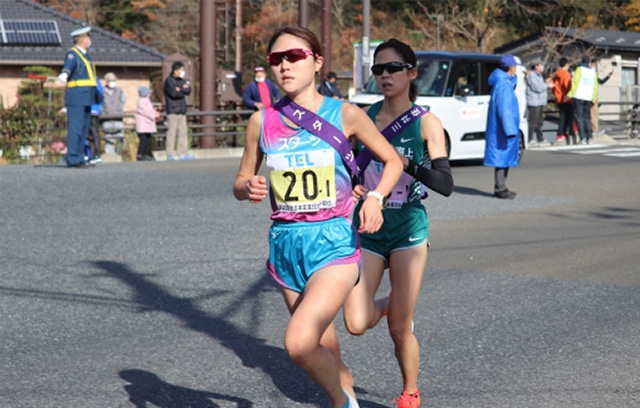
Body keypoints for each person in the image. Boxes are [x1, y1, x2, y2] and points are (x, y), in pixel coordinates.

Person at [233, 27, 403, 408]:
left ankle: (343, 403)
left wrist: (375, 197)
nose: (284, 66)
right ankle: (344, 394)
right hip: (286, 245)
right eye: (276, 60)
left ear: (317, 61)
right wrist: (248, 188)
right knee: (328, 353)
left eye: (294, 56)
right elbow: (241, 179)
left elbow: (392, 160)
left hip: (334, 242)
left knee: (298, 343)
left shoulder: (345, 114)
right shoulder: (261, 122)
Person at [343, 38, 453, 408]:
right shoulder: (364, 117)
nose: (385, 76)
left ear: (411, 72)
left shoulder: (427, 123)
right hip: (371, 228)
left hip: (408, 229)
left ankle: (410, 391)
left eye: (393, 69)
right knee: (356, 323)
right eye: (378, 69)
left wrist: (407, 164)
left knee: (398, 327)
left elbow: (445, 184)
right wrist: (355, 187)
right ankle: (396, 300)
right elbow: (348, 169)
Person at [56, 26, 102, 168]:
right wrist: (63, 76)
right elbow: (67, 68)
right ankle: (73, 158)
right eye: (88, 38)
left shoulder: (86, 56)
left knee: (83, 128)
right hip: (76, 96)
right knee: (75, 128)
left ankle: (79, 156)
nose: (89, 40)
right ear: (83, 40)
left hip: (87, 97)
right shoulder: (73, 54)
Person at [484, 55, 520, 199]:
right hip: (504, 129)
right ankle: (500, 188)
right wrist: (510, 129)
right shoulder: (503, 84)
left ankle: (502, 187)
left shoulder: (502, 81)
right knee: (501, 158)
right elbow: (504, 108)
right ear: (510, 67)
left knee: (502, 158)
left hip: (500, 128)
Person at [163, 61, 194, 160]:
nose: (183, 72)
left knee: (183, 132)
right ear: (175, 71)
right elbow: (173, 93)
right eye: (181, 70)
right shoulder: (169, 81)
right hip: (172, 110)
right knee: (171, 132)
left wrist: (179, 89)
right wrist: (182, 89)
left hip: (182, 110)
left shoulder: (181, 80)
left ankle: (182, 153)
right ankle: (170, 153)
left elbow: (188, 90)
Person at [568, 55, 598, 144]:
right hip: (588, 97)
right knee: (587, 118)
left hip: (579, 96)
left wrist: (570, 94)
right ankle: (590, 138)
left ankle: (583, 138)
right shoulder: (593, 72)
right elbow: (595, 86)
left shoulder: (579, 70)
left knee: (579, 118)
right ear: (589, 62)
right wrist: (594, 97)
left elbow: (575, 83)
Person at [525, 59, 553, 146]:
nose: (541, 66)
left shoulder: (539, 75)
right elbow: (537, 88)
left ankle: (540, 139)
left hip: (539, 101)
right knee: (533, 121)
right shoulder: (532, 76)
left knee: (539, 121)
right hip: (534, 101)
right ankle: (530, 139)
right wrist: (547, 85)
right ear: (536, 66)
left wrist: (546, 84)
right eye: (540, 64)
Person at [101, 72, 126, 154]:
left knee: (120, 135)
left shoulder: (119, 91)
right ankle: (110, 155)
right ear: (106, 81)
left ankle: (120, 152)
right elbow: (100, 103)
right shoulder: (102, 91)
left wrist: (118, 109)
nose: (112, 82)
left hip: (117, 117)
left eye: (113, 80)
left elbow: (123, 101)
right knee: (108, 137)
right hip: (106, 118)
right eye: (110, 81)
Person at [134, 86, 159, 161]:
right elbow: (146, 111)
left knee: (147, 139)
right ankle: (141, 154)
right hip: (144, 124)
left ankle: (146, 154)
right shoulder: (142, 101)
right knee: (143, 140)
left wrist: (154, 112)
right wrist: (154, 114)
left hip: (147, 125)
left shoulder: (146, 101)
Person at [553, 57, 573, 144]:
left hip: (559, 97)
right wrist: (570, 95)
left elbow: (554, 86)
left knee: (562, 116)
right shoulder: (565, 74)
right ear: (566, 64)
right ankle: (562, 133)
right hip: (566, 98)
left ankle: (561, 133)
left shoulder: (557, 74)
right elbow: (567, 86)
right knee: (566, 117)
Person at [590, 60, 613, 134]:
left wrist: (608, 76)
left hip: (595, 97)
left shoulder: (594, 75)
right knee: (593, 113)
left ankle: (595, 128)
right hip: (591, 97)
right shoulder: (590, 74)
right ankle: (594, 129)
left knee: (595, 113)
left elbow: (601, 82)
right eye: (594, 65)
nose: (595, 67)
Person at [87, 79, 104, 163]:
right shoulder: (96, 81)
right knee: (89, 133)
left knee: (93, 133)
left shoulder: (95, 81)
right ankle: (90, 154)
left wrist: (97, 109)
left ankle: (95, 154)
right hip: (90, 110)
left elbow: (99, 97)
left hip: (93, 111)